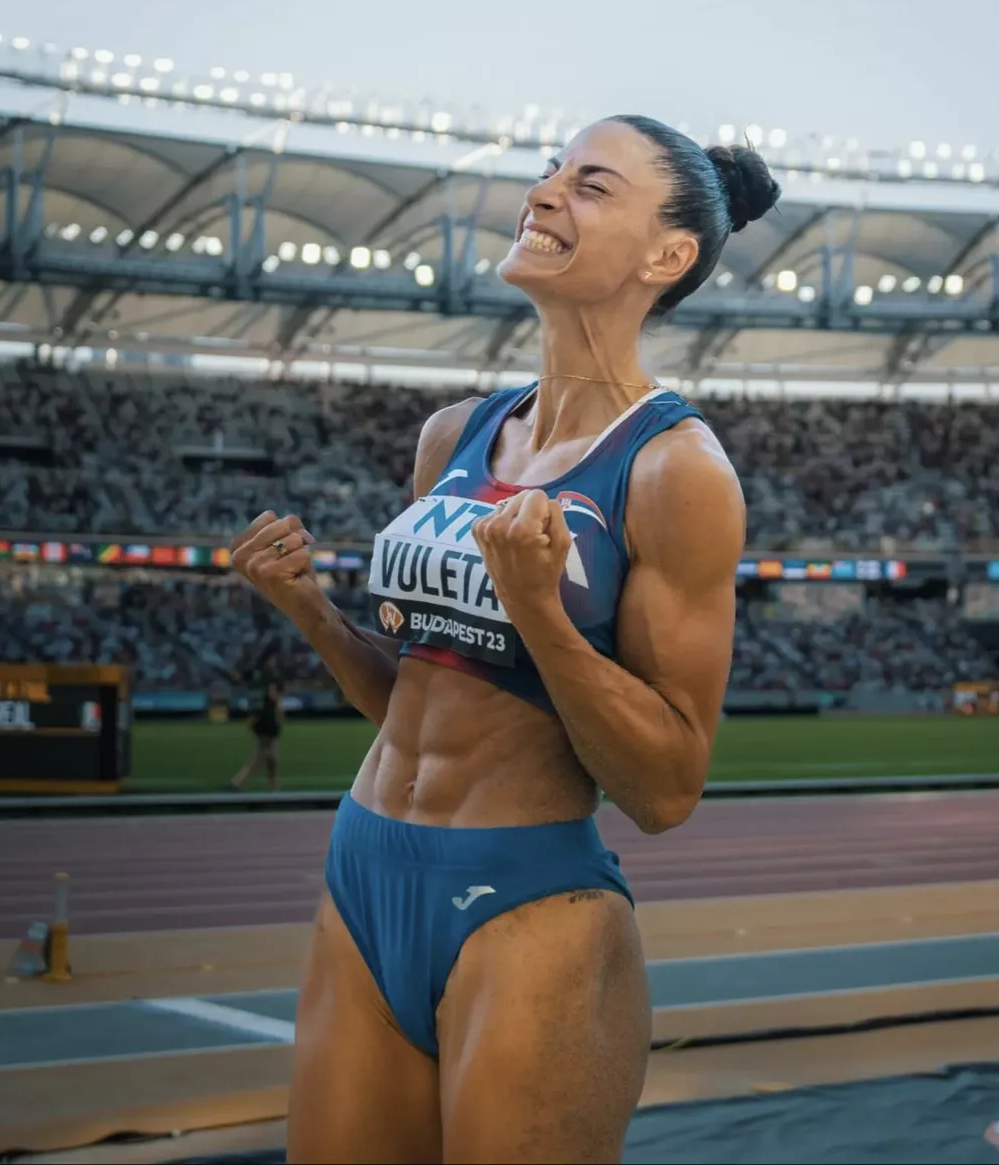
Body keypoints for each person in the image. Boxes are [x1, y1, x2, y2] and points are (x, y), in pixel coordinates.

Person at [230, 114, 778, 1164]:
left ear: (666, 256)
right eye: (547, 173)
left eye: (590, 185)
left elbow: (664, 788)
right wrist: (309, 609)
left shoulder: (673, 470)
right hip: (364, 866)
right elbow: (415, 699)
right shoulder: (454, 433)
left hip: (524, 895)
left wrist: (541, 615)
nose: (542, 194)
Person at [230, 678, 283, 791]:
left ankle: (274, 787)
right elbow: (256, 720)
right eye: (272, 690)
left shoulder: (272, 704)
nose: (274, 692)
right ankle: (237, 782)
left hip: (271, 735)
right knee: (260, 762)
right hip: (265, 736)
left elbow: (279, 718)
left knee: (272, 762)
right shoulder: (264, 705)